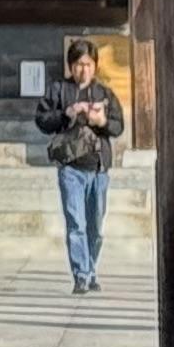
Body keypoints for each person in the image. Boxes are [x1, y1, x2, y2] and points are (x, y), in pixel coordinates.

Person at [35, 37, 124, 295]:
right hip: (71, 167)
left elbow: (118, 127)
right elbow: (41, 119)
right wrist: (67, 113)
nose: (82, 69)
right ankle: (81, 275)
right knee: (76, 222)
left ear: (94, 66)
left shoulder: (104, 94)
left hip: (98, 168)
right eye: (77, 64)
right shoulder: (58, 90)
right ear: (70, 66)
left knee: (95, 225)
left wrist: (102, 120)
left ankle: (91, 268)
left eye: (87, 64)